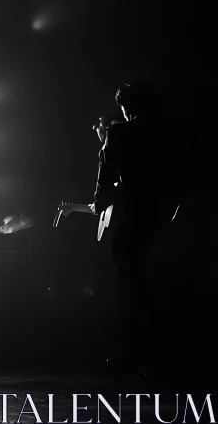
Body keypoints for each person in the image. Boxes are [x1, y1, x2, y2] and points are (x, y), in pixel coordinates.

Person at [88, 82, 181, 379]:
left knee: (129, 287)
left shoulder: (119, 134)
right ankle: (165, 356)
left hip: (135, 218)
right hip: (168, 218)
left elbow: (106, 179)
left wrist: (100, 201)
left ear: (127, 106)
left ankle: (129, 356)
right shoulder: (170, 133)